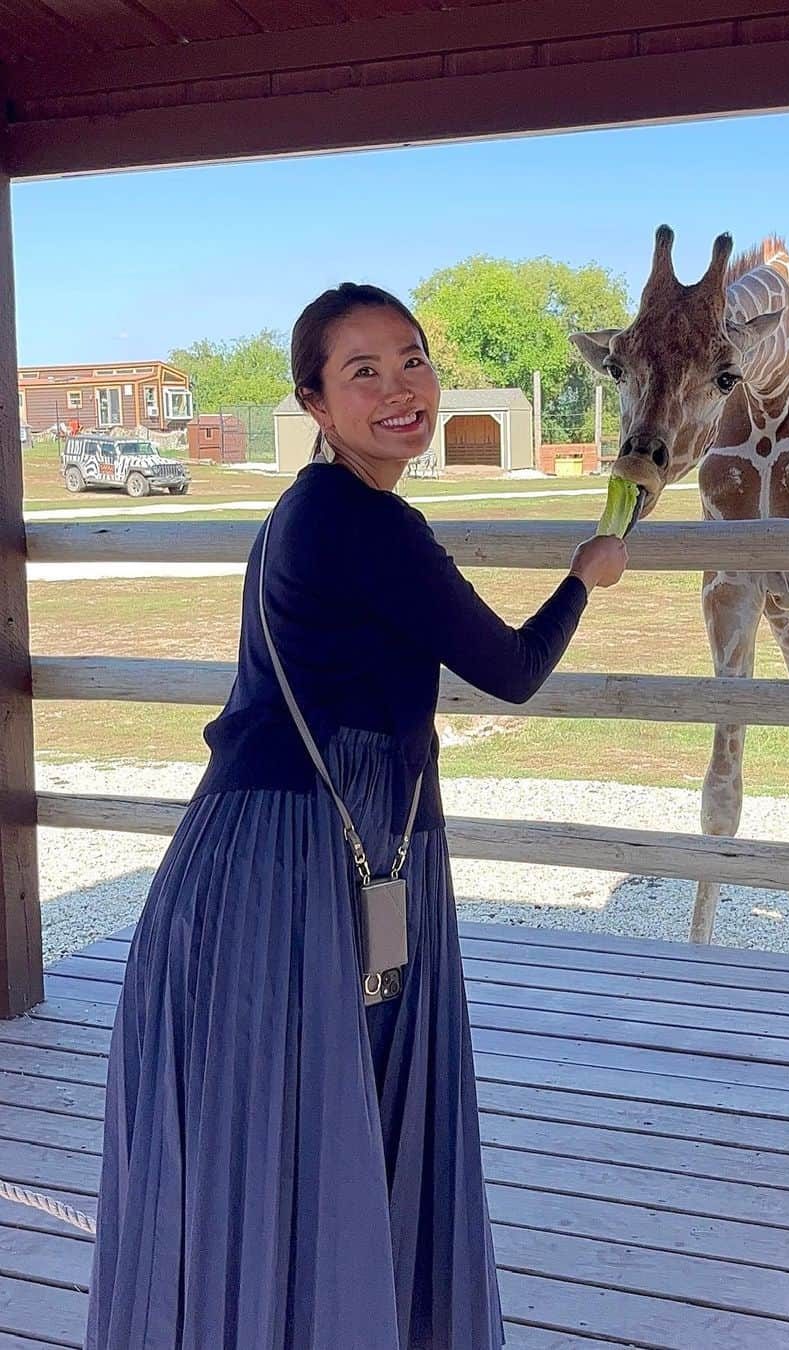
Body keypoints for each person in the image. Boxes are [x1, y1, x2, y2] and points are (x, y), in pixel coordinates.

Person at [85, 282, 628, 1349]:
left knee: (282, 1129)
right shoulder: (363, 522)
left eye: (412, 360)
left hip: (279, 843)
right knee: (313, 1115)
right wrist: (585, 579)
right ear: (315, 404)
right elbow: (510, 669)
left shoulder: (307, 508)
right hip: (298, 860)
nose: (399, 389)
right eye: (363, 372)